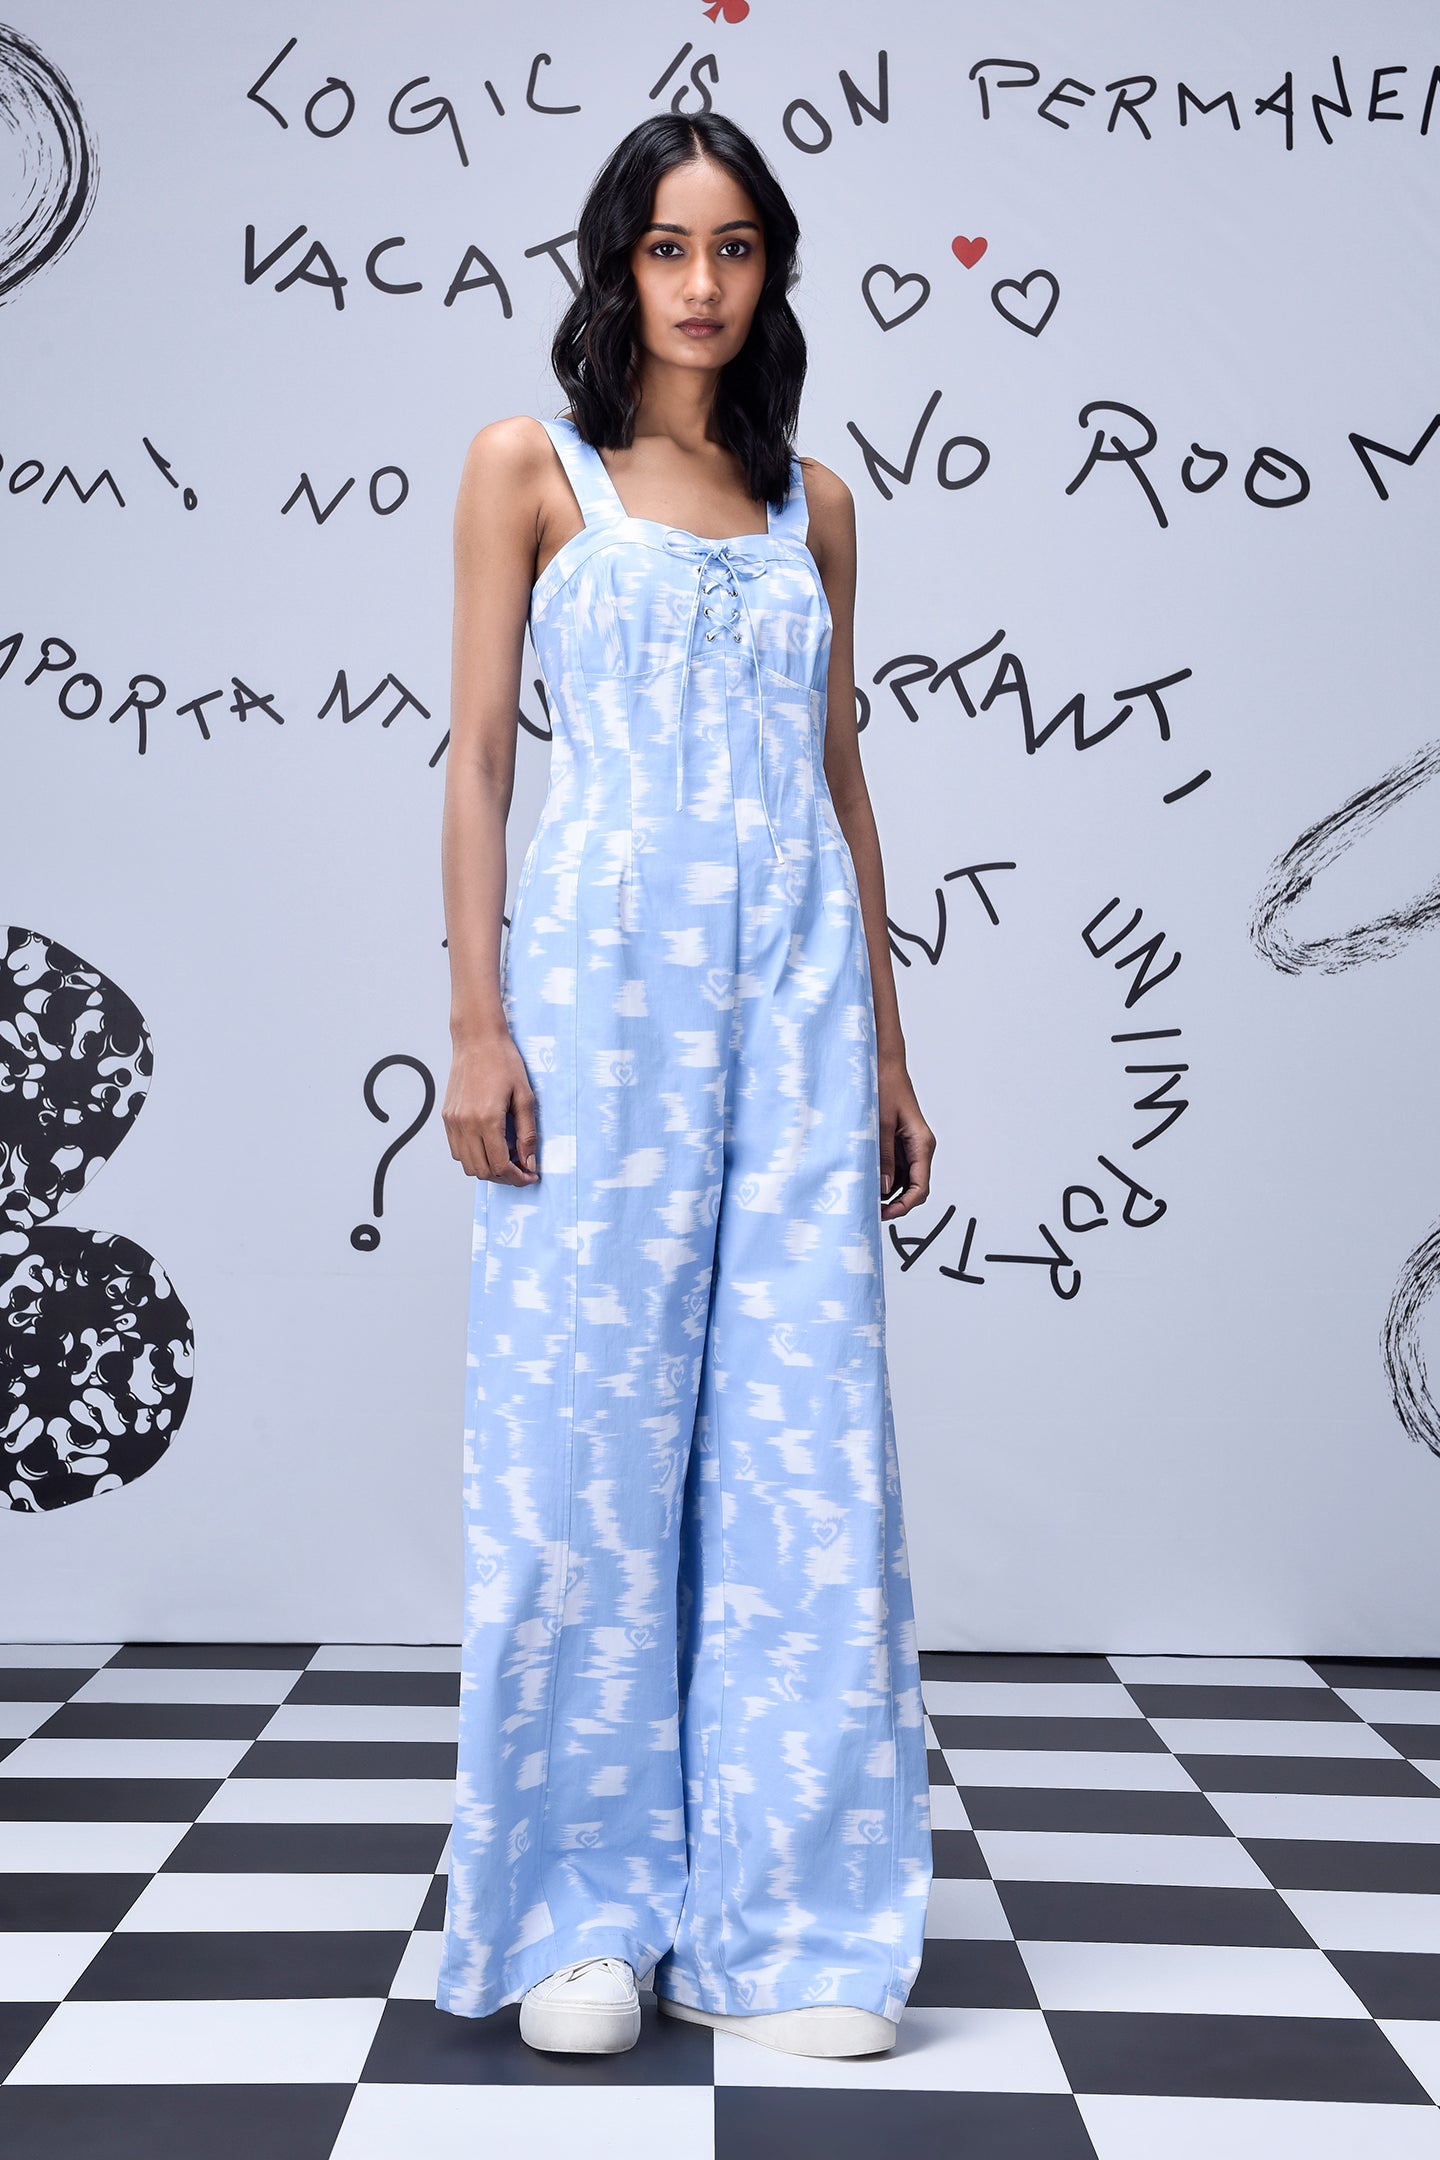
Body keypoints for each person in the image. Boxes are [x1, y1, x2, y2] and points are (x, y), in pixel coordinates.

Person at [434, 109, 936, 2061]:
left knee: (803, 1456)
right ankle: (578, 1914)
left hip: (799, 1000)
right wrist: (479, 1023)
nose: (703, 283)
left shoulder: (816, 502)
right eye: (668, 247)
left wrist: (888, 1042)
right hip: (600, 994)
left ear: (770, 267)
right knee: (585, 1440)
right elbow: (483, 757)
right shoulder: (530, 467)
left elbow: (839, 774)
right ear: (617, 265)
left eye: (735, 247)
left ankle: (789, 1925)